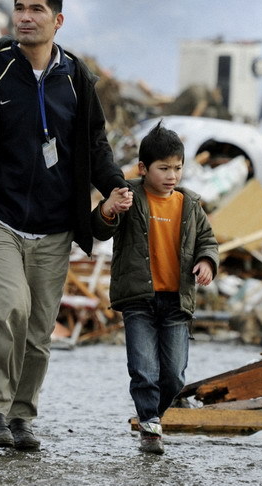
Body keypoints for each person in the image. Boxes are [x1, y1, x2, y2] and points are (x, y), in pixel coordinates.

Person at [0, 0, 131, 451]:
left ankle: (20, 416)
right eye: (20, 8)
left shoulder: (77, 78)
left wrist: (112, 187)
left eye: (36, 10)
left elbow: (95, 145)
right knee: (8, 309)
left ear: (58, 20)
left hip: (52, 225)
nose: (25, 17)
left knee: (39, 328)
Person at [92, 120, 219, 455]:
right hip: (139, 300)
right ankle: (150, 425)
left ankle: (154, 416)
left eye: (177, 168)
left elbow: (208, 240)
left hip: (177, 301)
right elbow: (101, 228)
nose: (171, 176)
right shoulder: (129, 196)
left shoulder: (189, 204)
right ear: (143, 168)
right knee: (144, 370)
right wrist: (108, 209)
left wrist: (206, 262)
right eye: (164, 168)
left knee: (175, 376)